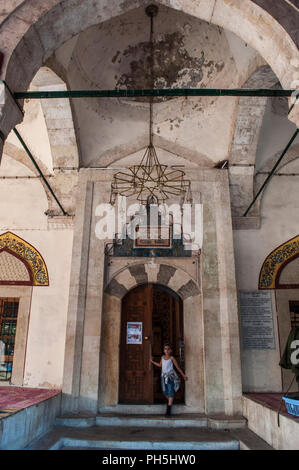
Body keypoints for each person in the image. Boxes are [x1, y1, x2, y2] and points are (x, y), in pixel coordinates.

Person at [150, 343, 188, 416]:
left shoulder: (172, 358)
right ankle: (171, 401)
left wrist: (183, 375)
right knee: (164, 392)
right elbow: (160, 365)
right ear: (164, 350)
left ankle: (168, 411)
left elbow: (177, 367)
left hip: (170, 377)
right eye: (165, 349)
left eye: (168, 349)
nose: (166, 350)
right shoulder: (162, 357)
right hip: (163, 377)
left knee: (170, 391)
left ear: (170, 350)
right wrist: (152, 362)